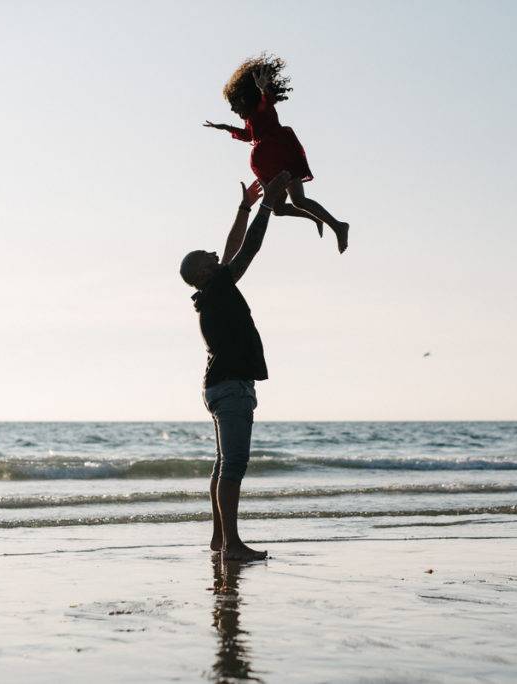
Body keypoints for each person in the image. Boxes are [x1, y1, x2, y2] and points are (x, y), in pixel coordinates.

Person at [179, 170, 292, 562]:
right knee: (234, 467)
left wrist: (244, 206)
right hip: (230, 387)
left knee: (223, 465)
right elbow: (248, 250)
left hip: (219, 386)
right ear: (203, 273)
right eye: (208, 258)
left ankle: (219, 540)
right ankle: (231, 545)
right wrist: (265, 208)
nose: (215, 256)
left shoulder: (213, 291)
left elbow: (229, 250)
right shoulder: (219, 288)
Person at [203, 54, 349, 254]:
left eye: (235, 105)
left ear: (245, 99)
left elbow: (267, 100)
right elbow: (248, 135)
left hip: (281, 156)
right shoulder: (252, 118)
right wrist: (226, 128)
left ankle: (338, 226)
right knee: (278, 209)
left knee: (298, 199)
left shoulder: (263, 108)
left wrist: (264, 88)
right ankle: (315, 217)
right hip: (268, 164)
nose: (233, 109)